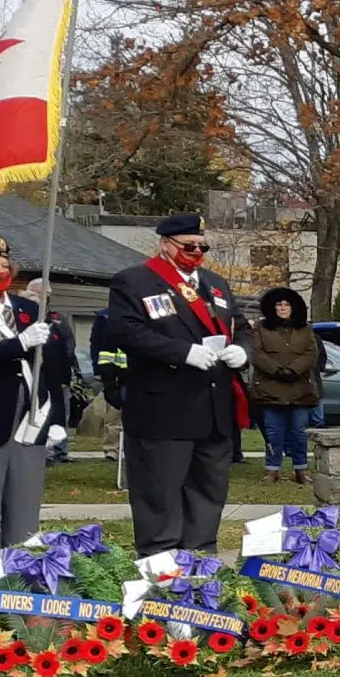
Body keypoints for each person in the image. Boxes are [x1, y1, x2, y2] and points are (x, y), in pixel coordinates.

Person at [106, 216, 249, 554]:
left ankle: (201, 563)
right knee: (160, 495)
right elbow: (126, 332)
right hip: (164, 410)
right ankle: (161, 570)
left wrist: (243, 350)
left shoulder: (215, 284)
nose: (196, 252)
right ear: (165, 244)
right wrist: (182, 352)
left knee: (208, 492)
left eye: (202, 246)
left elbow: (242, 325)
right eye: (188, 246)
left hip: (213, 410)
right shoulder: (135, 281)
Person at [0, 236, 72, 553]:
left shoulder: (29, 309)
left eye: (5, 266)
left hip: (31, 419)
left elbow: (52, 369)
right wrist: (18, 345)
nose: (0, 271)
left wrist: (57, 418)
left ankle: (20, 581)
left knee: (25, 511)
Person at [248, 287, 322, 485]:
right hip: (270, 389)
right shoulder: (260, 328)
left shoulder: (305, 329)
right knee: (273, 432)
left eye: (286, 304)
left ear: (293, 307)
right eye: (278, 304)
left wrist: (294, 370)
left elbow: (311, 353)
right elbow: (256, 353)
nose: (282, 308)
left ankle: (301, 469)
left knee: (299, 432)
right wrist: (277, 370)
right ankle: (273, 469)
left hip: (299, 390)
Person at [19, 279, 79, 464]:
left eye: (48, 295)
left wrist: (70, 374)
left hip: (58, 376)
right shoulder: (22, 317)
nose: (46, 298)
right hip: (34, 378)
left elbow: (68, 347)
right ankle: (43, 454)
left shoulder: (57, 320)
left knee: (59, 414)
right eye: (42, 294)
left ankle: (59, 451)